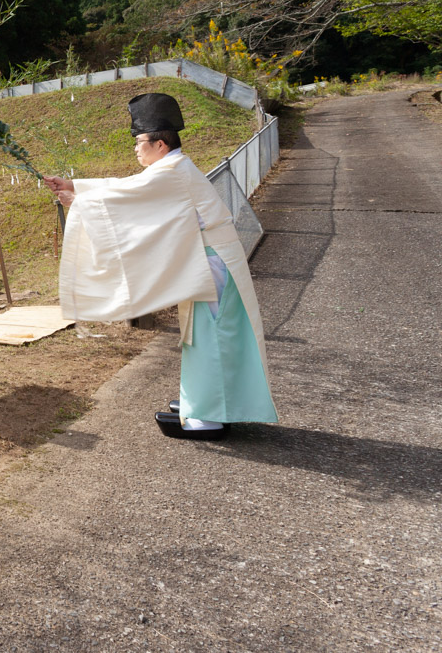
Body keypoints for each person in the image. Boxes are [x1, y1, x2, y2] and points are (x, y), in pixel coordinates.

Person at [42, 92, 278, 440]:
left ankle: (208, 417)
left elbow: (127, 198)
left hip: (211, 261)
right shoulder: (173, 168)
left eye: (140, 142)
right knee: (206, 335)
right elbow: (127, 187)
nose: (135, 149)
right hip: (210, 257)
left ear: (160, 144)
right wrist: (75, 187)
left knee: (211, 336)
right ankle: (203, 402)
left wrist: (78, 202)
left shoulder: (171, 173)